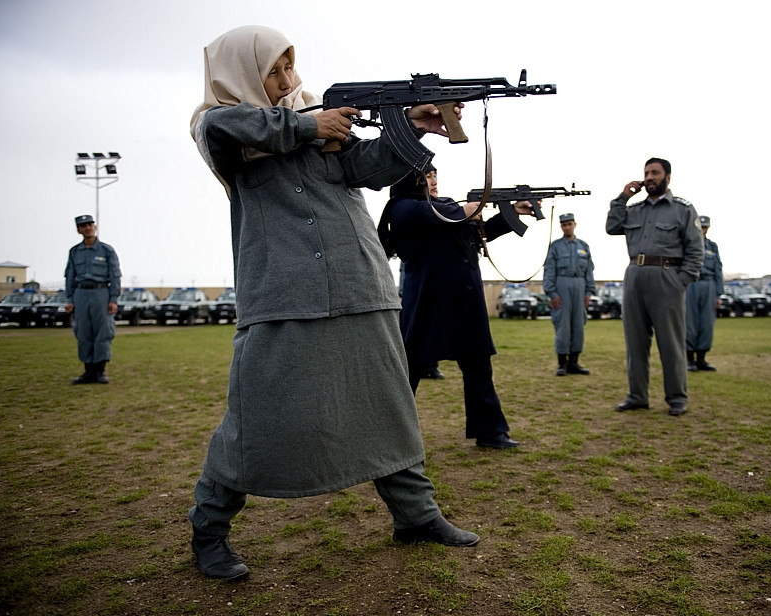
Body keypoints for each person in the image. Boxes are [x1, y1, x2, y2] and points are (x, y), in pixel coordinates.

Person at [187, 25, 478, 581]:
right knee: (255, 422)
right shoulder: (221, 123)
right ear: (242, 72)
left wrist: (412, 127)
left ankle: (416, 516)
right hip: (283, 295)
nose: (287, 79)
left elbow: (370, 169)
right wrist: (306, 124)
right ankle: (210, 529)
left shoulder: (320, 123)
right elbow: (227, 128)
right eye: (273, 69)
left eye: (290, 66)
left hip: (359, 284)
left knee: (389, 409)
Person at [378, 164, 531, 449]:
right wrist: (473, 206)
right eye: (425, 176)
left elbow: (478, 232)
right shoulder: (402, 207)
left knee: (478, 365)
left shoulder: (444, 207)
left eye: (434, 174)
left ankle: (490, 432)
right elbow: (440, 216)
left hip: (465, 299)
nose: (432, 181)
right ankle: (386, 434)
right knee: (409, 368)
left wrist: (512, 213)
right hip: (429, 302)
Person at [606, 157, 704, 417]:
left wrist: (682, 280)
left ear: (667, 177)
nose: (649, 177)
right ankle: (637, 396)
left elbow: (696, 249)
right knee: (635, 342)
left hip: (667, 278)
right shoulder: (635, 209)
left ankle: (676, 398)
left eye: (655, 173)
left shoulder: (683, 209)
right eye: (647, 173)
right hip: (634, 277)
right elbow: (612, 226)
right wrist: (622, 197)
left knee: (670, 343)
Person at [64, 214, 121, 385]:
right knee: (83, 332)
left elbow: (115, 275)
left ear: (95, 227)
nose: (87, 228)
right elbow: (70, 276)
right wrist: (70, 299)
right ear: (79, 230)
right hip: (81, 294)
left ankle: (100, 371)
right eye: (83, 226)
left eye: (90, 224)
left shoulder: (106, 250)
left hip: (101, 293)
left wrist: (113, 299)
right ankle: (88, 371)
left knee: (103, 331)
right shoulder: (74, 252)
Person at [543, 213, 597, 376]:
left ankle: (574, 362)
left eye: (569, 224)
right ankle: (562, 363)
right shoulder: (555, 246)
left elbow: (589, 270)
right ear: (561, 227)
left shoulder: (583, 246)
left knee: (578, 325)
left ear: (575, 224)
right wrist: (552, 293)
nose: (567, 227)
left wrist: (589, 291)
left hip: (579, 286)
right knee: (563, 326)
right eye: (564, 225)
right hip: (562, 285)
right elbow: (549, 270)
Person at [686, 215, 724, 372]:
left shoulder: (712, 247)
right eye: (700, 227)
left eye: (705, 227)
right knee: (689, 322)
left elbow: (718, 269)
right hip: (691, 284)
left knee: (707, 323)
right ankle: (689, 359)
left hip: (709, 285)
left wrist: (718, 294)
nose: (702, 230)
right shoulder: (686, 244)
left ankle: (701, 358)